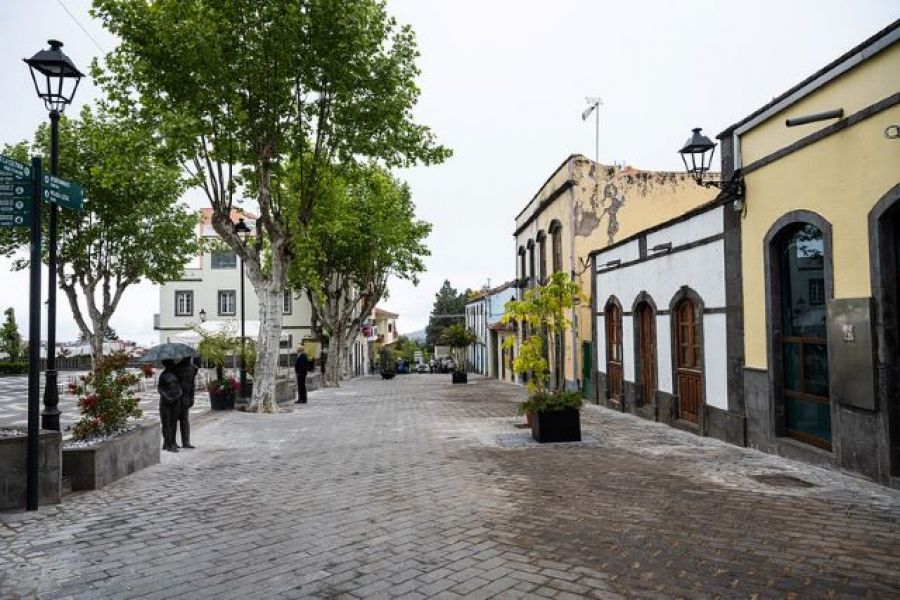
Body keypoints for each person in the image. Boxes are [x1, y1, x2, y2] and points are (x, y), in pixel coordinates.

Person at [157, 359, 182, 452]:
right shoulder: (163, 375)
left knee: (174, 423)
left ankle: (172, 441)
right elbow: (160, 388)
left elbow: (179, 386)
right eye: (171, 363)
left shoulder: (175, 374)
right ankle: (169, 444)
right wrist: (167, 397)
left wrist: (179, 393)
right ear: (166, 365)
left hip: (175, 401)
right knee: (166, 423)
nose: (173, 365)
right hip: (166, 403)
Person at [173, 357, 198, 449]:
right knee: (174, 420)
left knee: (184, 420)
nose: (189, 358)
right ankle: (173, 442)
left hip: (186, 396)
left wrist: (192, 397)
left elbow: (192, 384)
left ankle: (186, 442)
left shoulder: (194, 368)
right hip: (176, 397)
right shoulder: (175, 368)